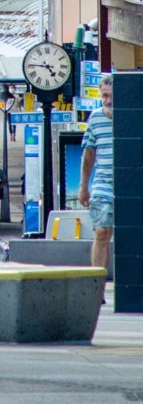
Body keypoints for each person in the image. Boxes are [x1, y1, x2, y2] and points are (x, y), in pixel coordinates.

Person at [79, 74, 114, 274]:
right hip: (103, 183)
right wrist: (84, 186)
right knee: (101, 232)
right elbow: (88, 154)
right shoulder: (96, 117)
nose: (108, 101)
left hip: (131, 183)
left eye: (111, 97)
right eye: (104, 96)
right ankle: (96, 285)